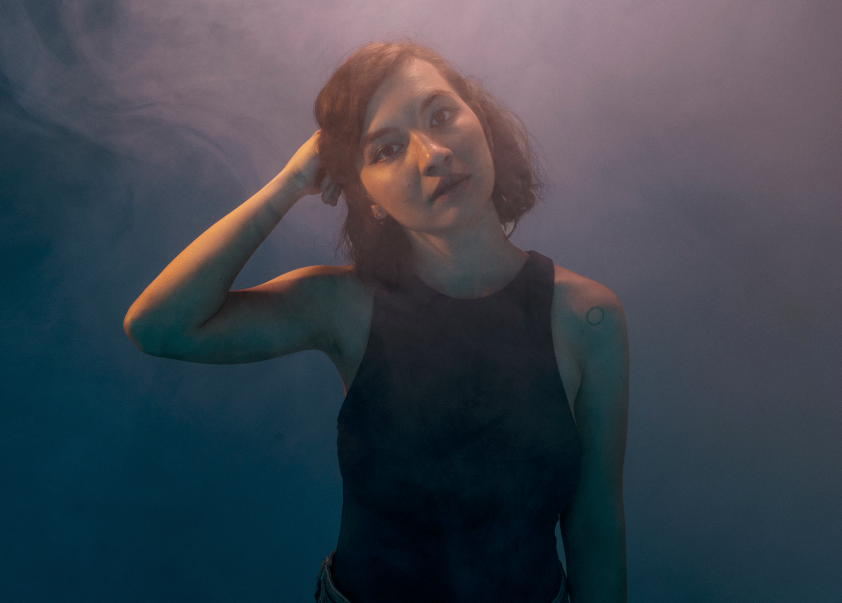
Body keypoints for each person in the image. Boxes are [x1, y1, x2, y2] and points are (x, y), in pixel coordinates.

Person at [124, 40, 628, 603]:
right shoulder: (342, 305)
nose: (432, 155)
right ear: (368, 198)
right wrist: (290, 182)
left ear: (481, 121)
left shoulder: (586, 317)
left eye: (441, 116)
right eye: (387, 149)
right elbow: (158, 326)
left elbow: (594, 523)